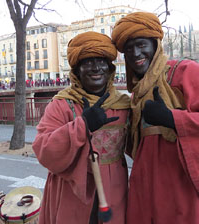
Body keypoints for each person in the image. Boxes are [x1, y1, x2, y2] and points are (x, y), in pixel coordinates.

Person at [111, 12, 199, 224]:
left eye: (141, 44)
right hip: (148, 189)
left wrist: (172, 119)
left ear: (155, 44)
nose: (135, 53)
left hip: (183, 189)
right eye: (128, 49)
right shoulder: (137, 93)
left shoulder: (186, 72)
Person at [32, 31, 130, 224]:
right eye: (87, 62)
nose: (96, 68)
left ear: (110, 68)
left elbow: (141, 148)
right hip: (71, 194)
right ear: (77, 70)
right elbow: (43, 149)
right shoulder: (61, 105)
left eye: (101, 61)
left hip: (114, 191)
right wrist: (83, 125)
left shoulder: (124, 105)